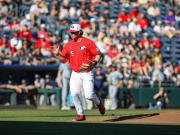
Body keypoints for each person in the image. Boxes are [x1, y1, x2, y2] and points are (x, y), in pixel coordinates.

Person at [51, 24, 105, 121]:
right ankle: (80, 114)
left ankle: (98, 102)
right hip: (75, 72)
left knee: (89, 95)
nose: (72, 34)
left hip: (87, 72)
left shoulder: (88, 42)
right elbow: (64, 60)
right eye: (71, 33)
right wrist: (57, 55)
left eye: (74, 33)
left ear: (80, 32)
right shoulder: (68, 44)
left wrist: (93, 63)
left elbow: (98, 54)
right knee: (74, 93)